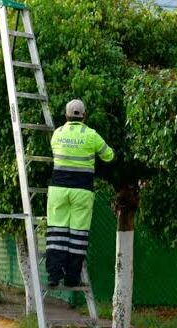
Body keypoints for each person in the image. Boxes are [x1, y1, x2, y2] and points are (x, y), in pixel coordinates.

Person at [46, 99, 114, 287]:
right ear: (84, 115)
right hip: (82, 190)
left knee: (56, 233)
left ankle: (53, 276)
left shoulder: (57, 133)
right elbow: (109, 156)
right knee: (78, 235)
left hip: (58, 188)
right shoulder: (91, 135)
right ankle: (72, 278)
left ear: (66, 114)